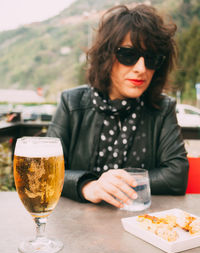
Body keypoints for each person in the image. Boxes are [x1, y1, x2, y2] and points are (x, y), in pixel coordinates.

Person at [47, 4, 189, 208]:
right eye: (128, 55)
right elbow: (49, 169)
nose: (141, 69)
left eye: (151, 59)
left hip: (141, 226)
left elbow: (177, 175)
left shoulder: (161, 108)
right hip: (75, 227)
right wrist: (88, 186)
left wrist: (120, 183)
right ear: (105, 56)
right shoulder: (72, 103)